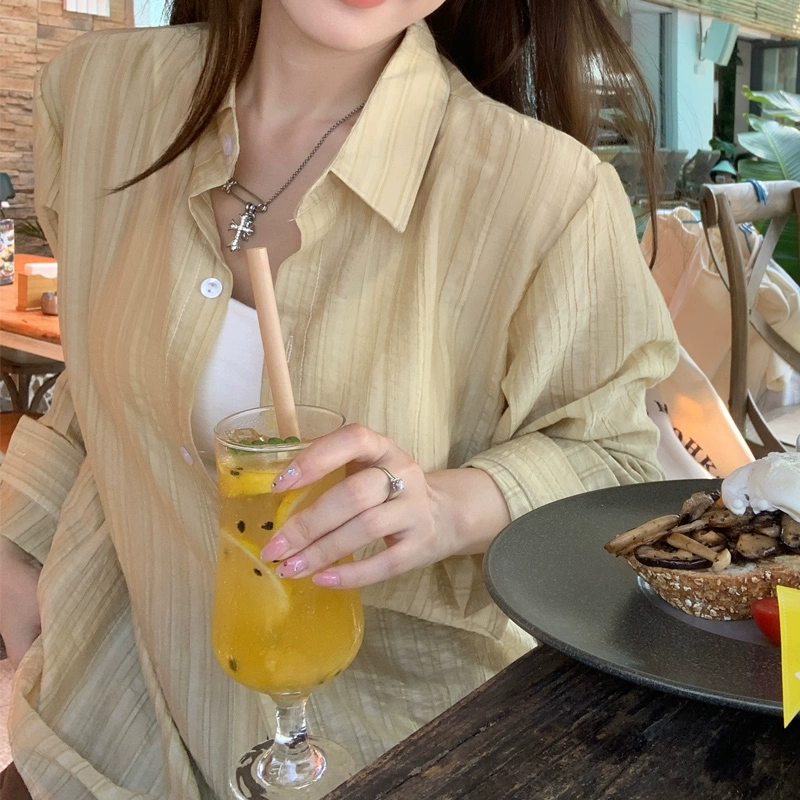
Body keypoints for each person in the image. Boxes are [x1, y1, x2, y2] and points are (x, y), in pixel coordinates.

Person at [0, 1, 679, 797]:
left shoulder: (548, 193)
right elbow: (99, 368)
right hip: (106, 724)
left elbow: (614, 461)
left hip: (387, 749)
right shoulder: (96, 101)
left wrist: (446, 506)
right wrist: (17, 540)